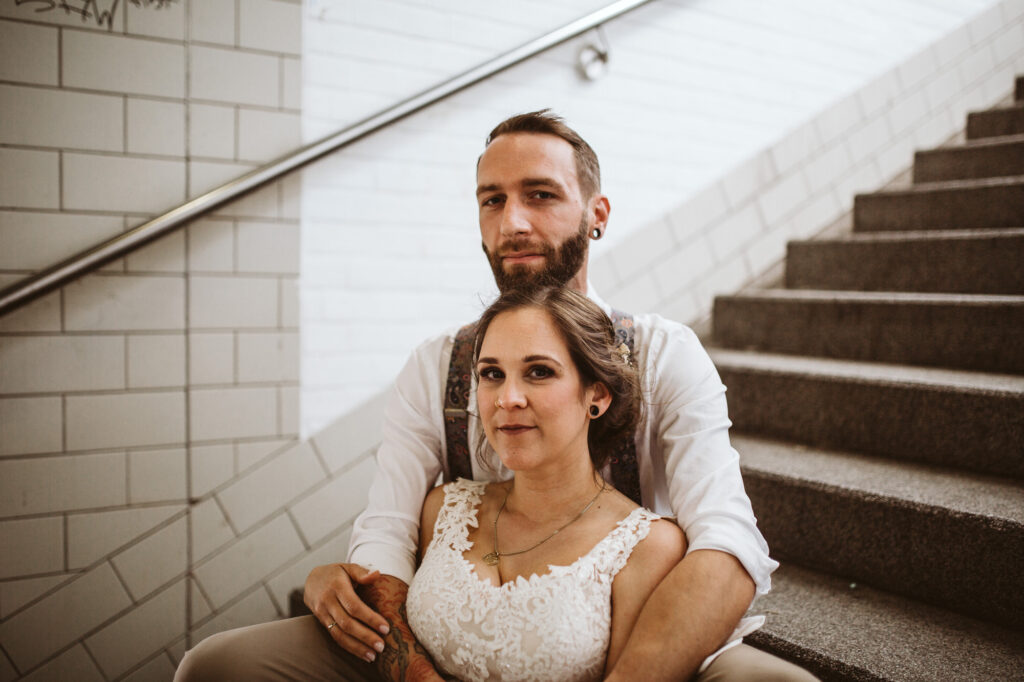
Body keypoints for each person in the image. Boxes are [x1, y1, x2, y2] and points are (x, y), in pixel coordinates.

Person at [175, 111, 817, 681]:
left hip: (643, 626)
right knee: (216, 666)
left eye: (540, 195)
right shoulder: (435, 366)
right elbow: (388, 527)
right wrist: (381, 628)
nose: (512, 223)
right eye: (492, 200)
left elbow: (726, 540)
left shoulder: (663, 354)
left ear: (597, 215)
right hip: (453, 624)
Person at [406, 286, 686, 681]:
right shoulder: (444, 510)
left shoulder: (647, 548)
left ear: (597, 395)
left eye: (539, 372)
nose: (508, 398)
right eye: (492, 374)